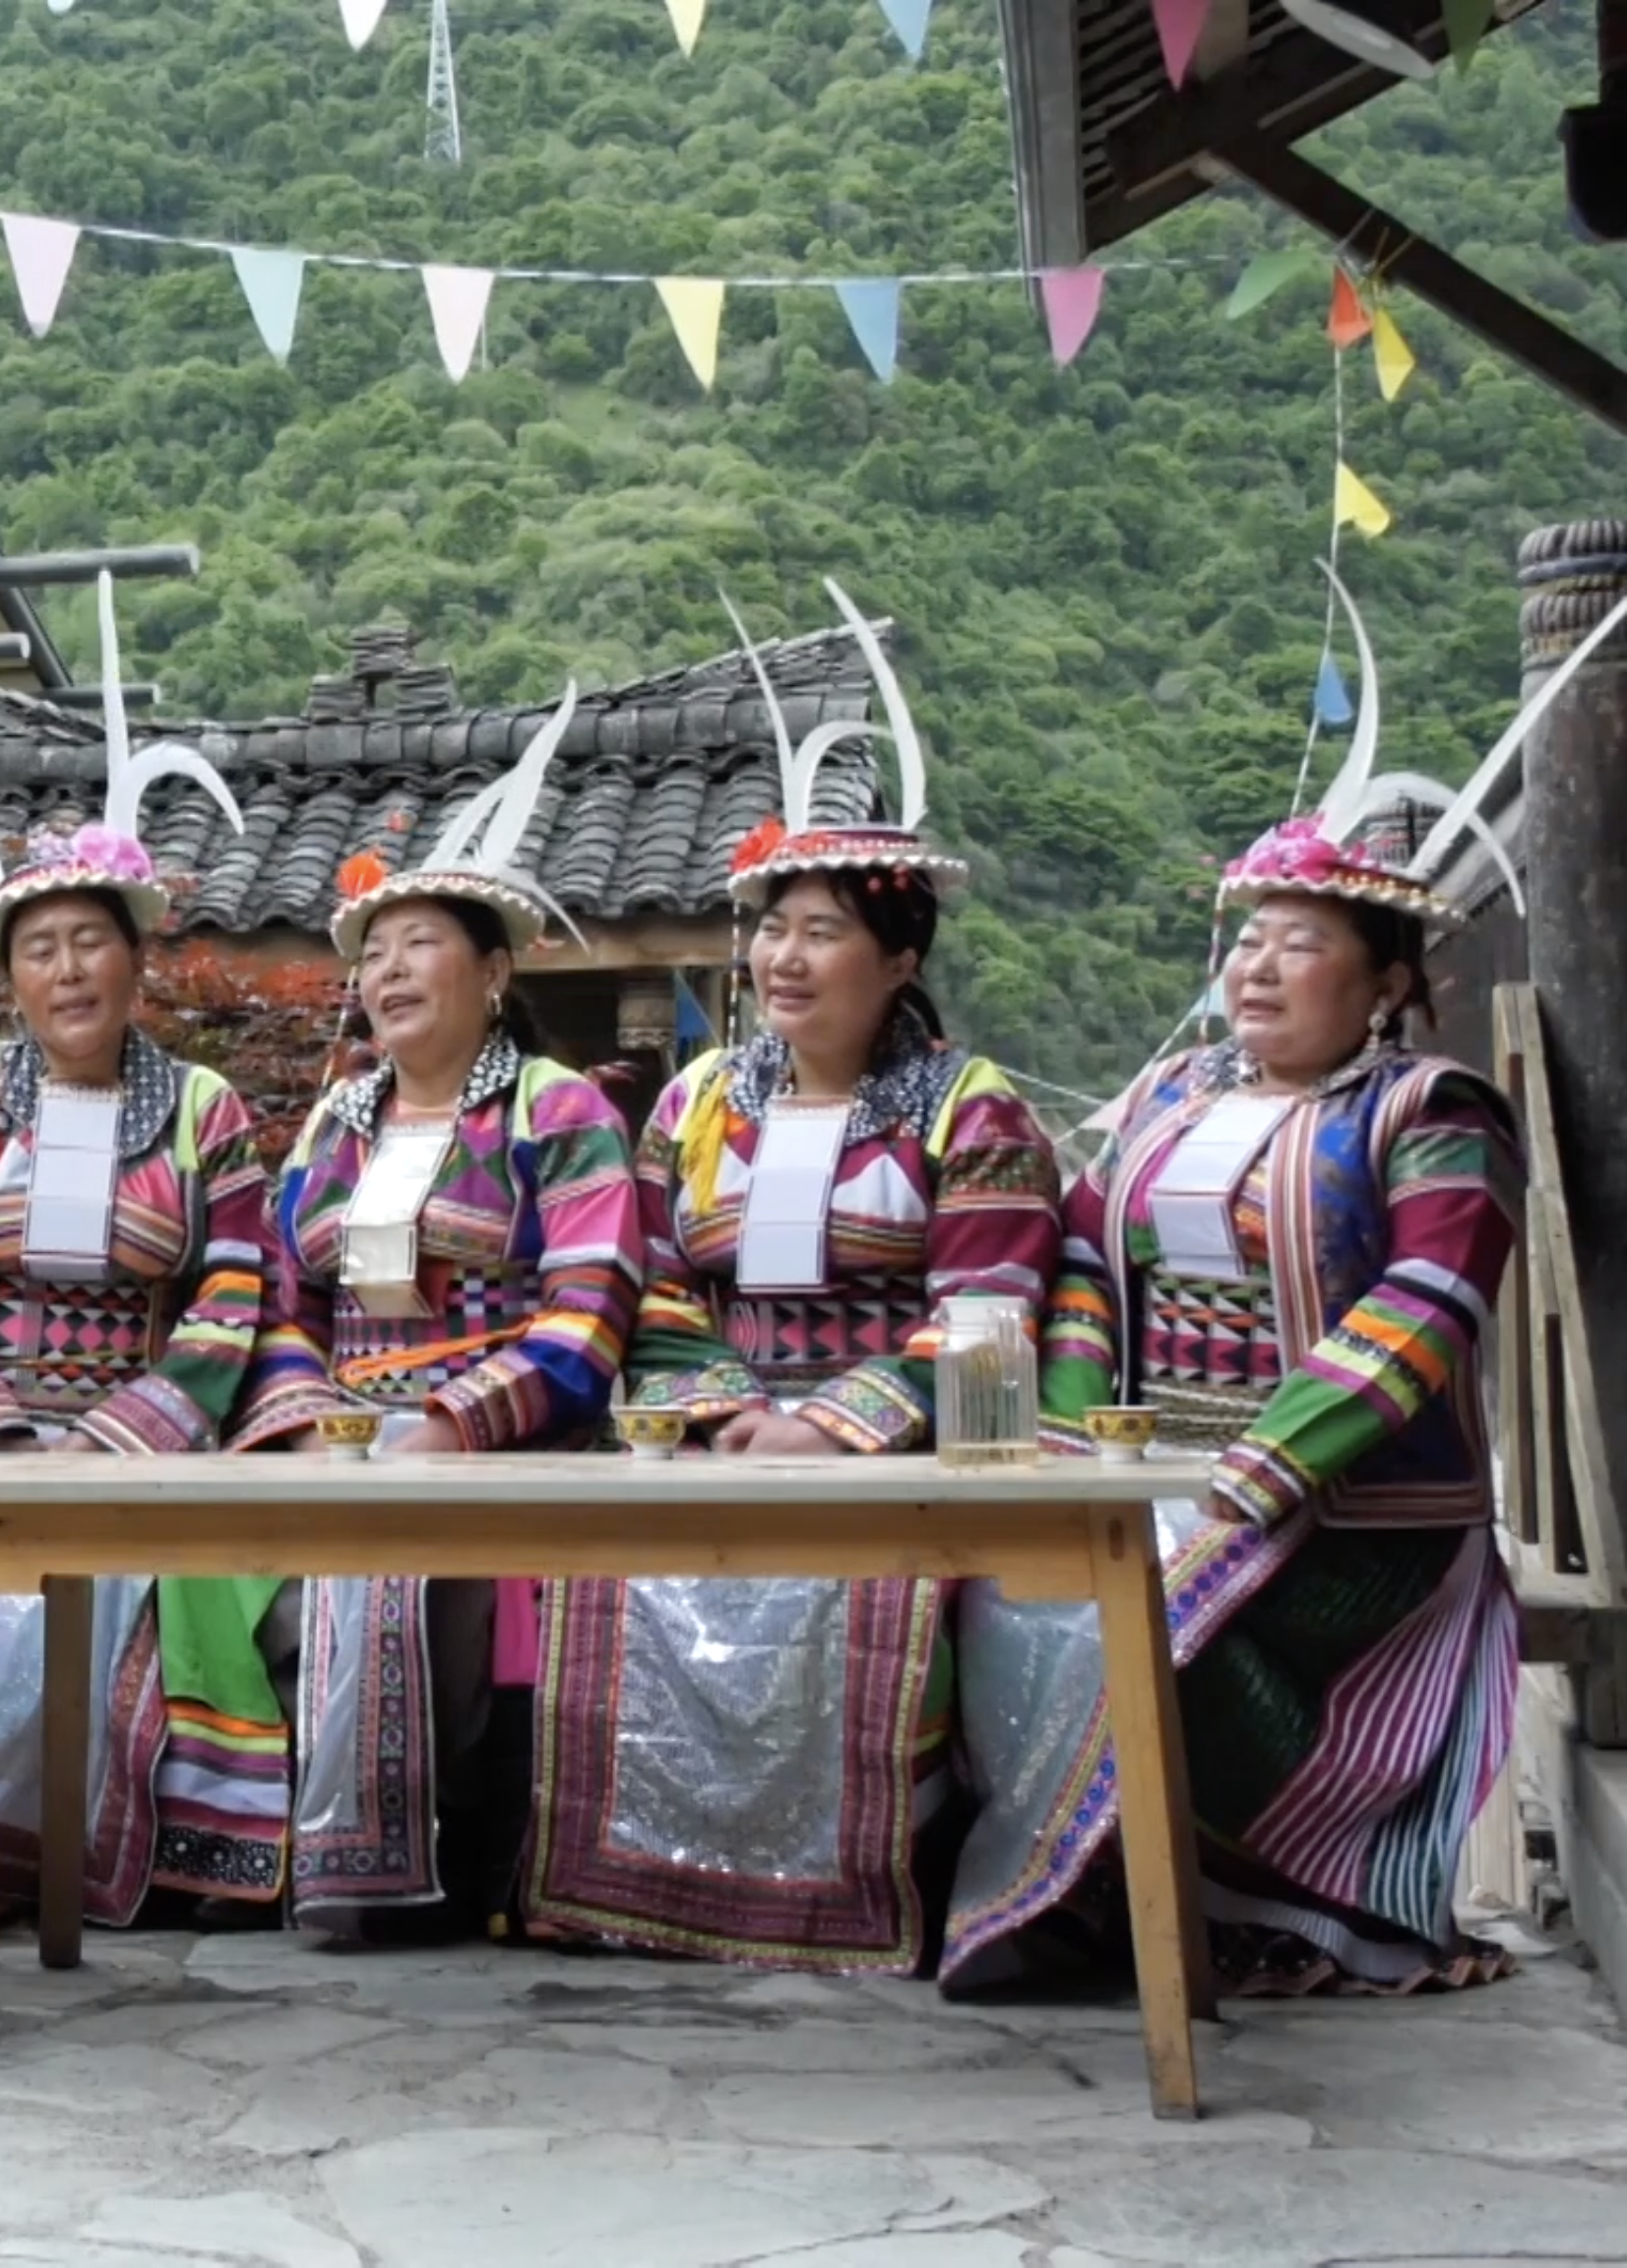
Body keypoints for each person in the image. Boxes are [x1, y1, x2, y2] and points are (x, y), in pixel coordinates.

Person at [947, 577, 1564, 1997]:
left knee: (1172, 1627)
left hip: (1352, 1510)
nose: (1259, 968)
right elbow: (1093, 1254)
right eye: (1249, 940)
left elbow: (1426, 1304)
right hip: (1149, 1464)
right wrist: (1075, 1436)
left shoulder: (1432, 1109)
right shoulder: (1169, 1094)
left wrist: (1266, 1467)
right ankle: (1081, 1902)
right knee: (1010, 1595)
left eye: (1302, 945)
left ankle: (1220, 1911)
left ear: (1386, 983)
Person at [527, 589, 1063, 1974]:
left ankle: (857, 1900)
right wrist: (724, 1413)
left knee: (874, 1589)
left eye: (820, 930)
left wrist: (831, 1426)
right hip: (720, 1431)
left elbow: (990, 1310)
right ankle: (657, 1896)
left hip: (892, 1446)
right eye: (771, 926)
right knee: (621, 1571)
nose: (781, 954)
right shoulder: (697, 1103)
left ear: (897, 961)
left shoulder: (971, 1108)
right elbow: (650, 1289)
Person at [0, 593, 280, 1940]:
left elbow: (230, 1295)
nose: (69, 967)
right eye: (42, 949)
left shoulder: (208, 1109)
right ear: (12, 982)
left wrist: (118, 1435)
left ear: (137, 960)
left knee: (78, 1603)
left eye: (92, 938)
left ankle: (66, 1864)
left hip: (137, 1431)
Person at [228, 696, 638, 1943]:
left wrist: (453, 1426)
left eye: (420, 946)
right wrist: (305, 1419)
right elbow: (279, 1300)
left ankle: (415, 1879)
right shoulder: (331, 1122)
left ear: (497, 972)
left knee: (405, 1561)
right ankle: (266, 1858)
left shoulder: (556, 1112)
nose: (389, 971)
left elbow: (592, 1310)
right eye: (375, 953)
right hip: (339, 1434)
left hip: (505, 1440)